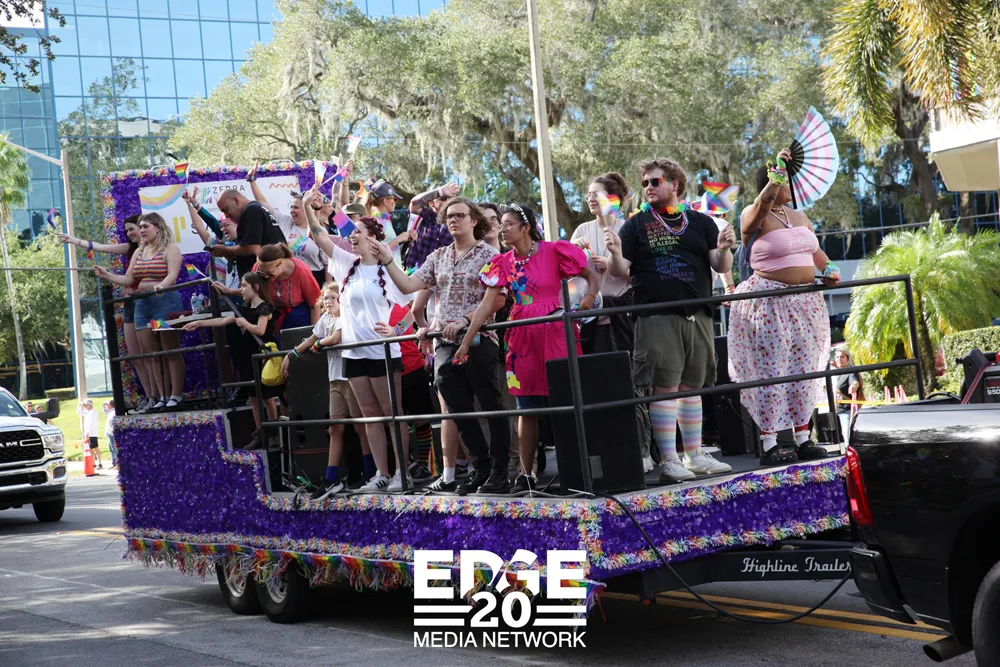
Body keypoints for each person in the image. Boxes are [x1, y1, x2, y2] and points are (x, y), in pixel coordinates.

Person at [606, 158, 736, 483]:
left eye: (655, 181)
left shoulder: (701, 222)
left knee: (692, 386)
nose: (648, 187)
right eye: (645, 183)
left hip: (698, 314)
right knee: (664, 387)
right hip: (656, 315)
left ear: (674, 184)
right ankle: (669, 459)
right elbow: (619, 271)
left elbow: (719, 265)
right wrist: (614, 252)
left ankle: (695, 455)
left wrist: (725, 249)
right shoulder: (635, 225)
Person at [459, 204, 599, 494]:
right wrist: (465, 342)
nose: (503, 229)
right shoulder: (502, 262)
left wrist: (589, 298)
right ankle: (526, 475)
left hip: (556, 331)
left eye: (508, 224)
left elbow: (590, 275)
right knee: (526, 407)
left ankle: (576, 469)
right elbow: (485, 306)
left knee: (566, 402)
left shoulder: (554, 251)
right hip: (522, 337)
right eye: (501, 224)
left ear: (526, 228)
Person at [377, 197, 511, 495]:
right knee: (456, 408)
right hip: (444, 343)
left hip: (480, 339)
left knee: (491, 404)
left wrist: (465, 320)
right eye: (449, 216)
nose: (453, 220)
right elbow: (408, 287)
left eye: (460, 215)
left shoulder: (489, 254)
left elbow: (497, 300)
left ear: (474, 220)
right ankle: (481, 467)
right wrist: (387, 259)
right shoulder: (438, 256)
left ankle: (500, 471)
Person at [727, 150, 837, 465]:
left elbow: (816, 252)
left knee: (805, 369)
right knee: (772, 369)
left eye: (788, 180)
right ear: (771, 183)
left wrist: (829, 269)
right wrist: (776, 175)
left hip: (805, 302)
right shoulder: (753, 214)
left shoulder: (799, 216)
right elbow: (763, 204)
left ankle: (803, 437)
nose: (790, 185)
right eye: (784, 181)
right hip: (768, 303)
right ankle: (771, 442)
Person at [572, 173, 655, 473]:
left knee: (632, 388)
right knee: (597, 387)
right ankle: (607, 456)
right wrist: (575, 254)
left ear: (614, 198)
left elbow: (644, 275)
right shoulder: (581, 230)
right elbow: (569, 276)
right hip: (591, 320)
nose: (590, 199)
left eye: (596, 193)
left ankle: (643, 452)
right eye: (588, 194)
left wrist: (611, 264)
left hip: (625, 316)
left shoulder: (629, 228)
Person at [328, 217, 413, 493]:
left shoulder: (387, 269)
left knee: (392, 413)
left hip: (382, 352)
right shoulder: (347, 266)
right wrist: (308, 206)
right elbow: (318, 236)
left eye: (358, 232)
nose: (352, 236)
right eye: (351, 232)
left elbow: (415, 305)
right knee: (369, 415)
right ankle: (382, 474)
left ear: (373, 238)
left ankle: (402, 473)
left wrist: (397, 330)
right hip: (353, 353)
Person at [281, 282, 370, 499]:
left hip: (350, 377)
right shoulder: (326, 319)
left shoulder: (346, 316)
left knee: (361, 426)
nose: (328, 302)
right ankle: (331, 479)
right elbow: (311, 339)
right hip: (335, 380)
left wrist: (320, 344)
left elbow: (335, 338)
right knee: (334, 428)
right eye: (326, 298)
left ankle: (370, 472)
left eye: (332, 297)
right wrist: (291, 354)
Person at [60, 215, 156, 414]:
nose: (130, 233)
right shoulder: (130, 249)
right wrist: (73, 240)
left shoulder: (154, 250)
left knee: (150, 355)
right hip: (130, 304)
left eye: (133, 228)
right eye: (127, 230)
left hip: (147, 303)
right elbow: (100, 247)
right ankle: (149, 398)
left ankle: (158, 398)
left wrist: (136, 287)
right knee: (136, 356)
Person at [95, 213, 186, 410]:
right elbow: (128, 279)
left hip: (163, 303)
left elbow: (173, 274)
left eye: (145, 226)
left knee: (169, 350)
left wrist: (161, 286)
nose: (142, 230)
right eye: (141, 227)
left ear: (158, 227)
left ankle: (176, 395)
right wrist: (107, 275)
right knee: (152, 353)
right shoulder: (139, 251)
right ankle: (162, 396)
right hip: (142, 306)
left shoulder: (170, 248)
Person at [185, 272, 280, 449]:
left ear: (255, 287)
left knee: (267, 396)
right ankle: (260, 433)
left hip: (262, 355)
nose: (241, 290)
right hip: (248, 355)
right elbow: (223, 321)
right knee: (253, 396)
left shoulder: (266, 308)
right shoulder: (243, 309)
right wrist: (200, 323)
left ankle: (273, 434)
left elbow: (260, 330)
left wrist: (245, 324)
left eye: (244, 286)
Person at [249, 180, 329, 288]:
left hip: (314, 278)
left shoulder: (320, 231)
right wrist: (252, 180)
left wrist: (328, 287)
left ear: (307, 209)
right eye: (291, 207)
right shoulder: (285, 221)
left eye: (296, 207)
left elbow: (327, 263)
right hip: (289, 277)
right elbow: (263, 203)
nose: (292, 210)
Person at [211, 189, 286, 280]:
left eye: (226, 210)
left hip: (266, 278)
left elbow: (253, 248)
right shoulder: (255, 209)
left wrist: (225, 250)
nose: (226, 215)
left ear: (236, 200)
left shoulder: (251, 210)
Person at [253, 243, 322, 333]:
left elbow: (315, 304)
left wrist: (313, 333)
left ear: (281, 263)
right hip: (270, 314)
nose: (265, 276)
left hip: (298, 316)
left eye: (270, 273)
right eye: (262, 273)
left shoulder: (301, 271)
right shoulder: (258, 268)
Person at [403, 182, 460, 271]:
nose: (448, 202)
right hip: (415, 272)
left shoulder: (457, 222)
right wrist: (440, 191)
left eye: (451, 199)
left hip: (441, 275)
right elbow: (414, 203)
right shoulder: (426, 215)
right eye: (443, 198)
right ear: (431, 203)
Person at [357, 179, 405, 256]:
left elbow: (392, 249)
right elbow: (374, 252)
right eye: (394, 199)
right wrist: (398, 239)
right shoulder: (374, 222)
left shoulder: (386, 220)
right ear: (385, 201)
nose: (396, 202)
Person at [77, 399, 102, 469]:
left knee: (95, 448)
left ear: (89, 405)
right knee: (90, 449)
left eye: (85, 405)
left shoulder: (93, 412)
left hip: (92, 433)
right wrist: (80, 405)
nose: (84, 406)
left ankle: (100, 463)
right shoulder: (87, 412)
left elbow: (92, 423)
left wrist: (88, 432)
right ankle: (93, 463)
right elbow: (78, 411)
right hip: (87, 433)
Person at [103, 400, 118, 468]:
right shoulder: (110, 412)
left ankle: (117, 463)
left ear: (111, 405)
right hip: (109, 432)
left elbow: (113, 422)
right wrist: (103, 404)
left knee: (114, 448)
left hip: (112, 433)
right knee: (111, 449)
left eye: (107, 405)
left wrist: (112, 430)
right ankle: (113, 462)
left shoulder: (114, 412)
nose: (106, 406)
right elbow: (105, 411)